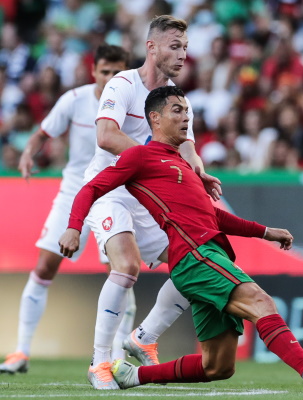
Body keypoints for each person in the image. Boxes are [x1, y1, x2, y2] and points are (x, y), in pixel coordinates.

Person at [59, 85, 303, 395]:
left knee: (218, 365)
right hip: (194, 256)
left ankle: (133, 376)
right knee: (261, 302)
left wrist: (264, 231)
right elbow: (91, 189)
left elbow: (214, 217)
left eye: (187, 111)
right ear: (155, 118)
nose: (186, 117)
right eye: (177, 110)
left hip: (209, 254)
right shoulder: (140, 156)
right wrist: (73, 227)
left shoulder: (186, 166)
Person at [83, 15, 222, 389]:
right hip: (111, 189)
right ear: (152, 47)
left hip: (147, 195)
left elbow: (188, 146)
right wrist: (157, 162)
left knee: (195, 264)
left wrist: (198, 171)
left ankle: (143, 337)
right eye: (174, 46)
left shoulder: (175, 95)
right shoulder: (123, 84)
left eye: (185, 48)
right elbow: (106, 135)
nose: (182, 55)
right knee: (127, 266)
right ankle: (100, 362)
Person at [0, 44, 129, 375]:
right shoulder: (75, 99)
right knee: (44, 267)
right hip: (75, 190)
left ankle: (117, 356)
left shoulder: (134, 102)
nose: (111, 77)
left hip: (114, 193)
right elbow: (42, 132)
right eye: (105, 71)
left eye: (117, 71)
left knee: (120, 271)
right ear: (94, 72)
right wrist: (29, 152)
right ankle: (21, 352)